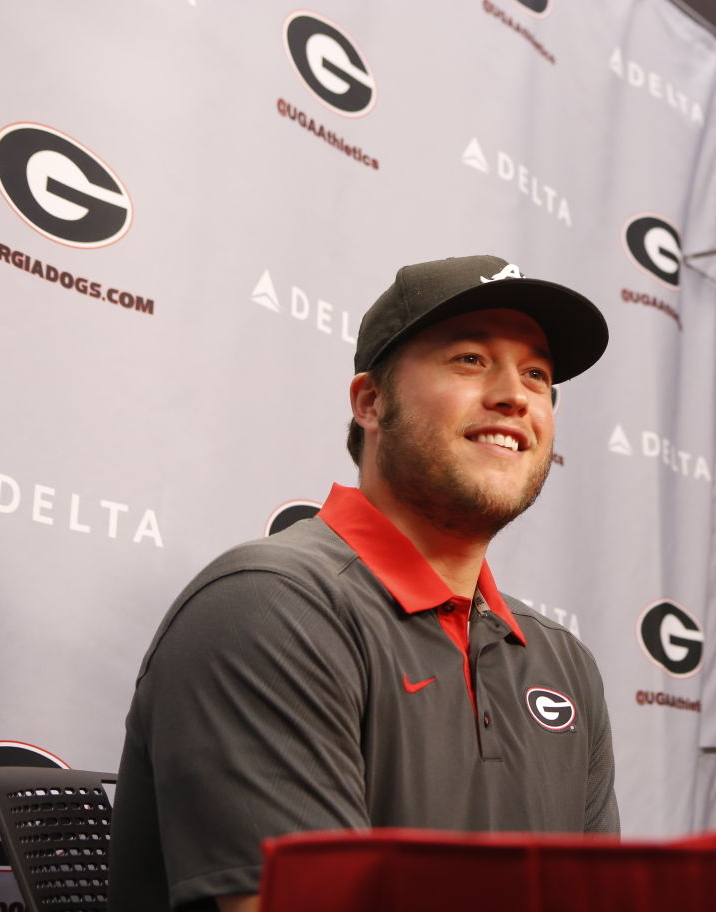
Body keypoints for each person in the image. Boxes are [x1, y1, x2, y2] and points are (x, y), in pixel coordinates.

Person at [109, 255, 619, 912]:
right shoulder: (268, 606)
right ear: (371, 403)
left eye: (537, 374)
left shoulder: (563, 662)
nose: (515, 395)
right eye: (469, 359)